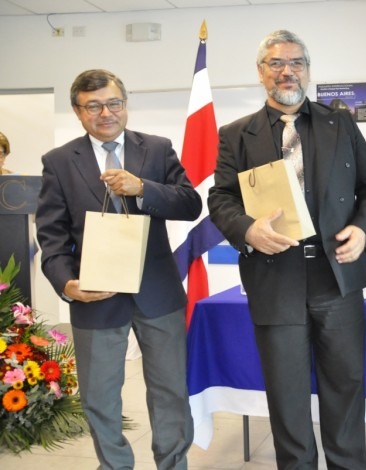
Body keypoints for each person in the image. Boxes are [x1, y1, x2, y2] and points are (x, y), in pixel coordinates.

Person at [208, 30, 366, 469]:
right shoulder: (236, 135)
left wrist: (363, 230)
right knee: (286, 395)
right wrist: (248, 230)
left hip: (337, 277)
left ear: (307, 69)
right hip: (275, 279)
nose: (287, 71)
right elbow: (221, 199)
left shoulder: (339, 122)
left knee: (344, 387)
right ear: (261, 71)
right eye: (276, 63)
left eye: (296, 62)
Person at [35, 69, 200, 470]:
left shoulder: (157, 149)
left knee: (170, 391)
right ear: (78, 111)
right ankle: (114, 465)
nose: (105, 113)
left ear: (125, 105)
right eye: (93, 106)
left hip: (157, 293)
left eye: (113, 103)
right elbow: (51, 236)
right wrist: (66, 284)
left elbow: (190, 203)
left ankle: (173, 463)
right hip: (95, 294)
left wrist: (144, 188)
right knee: (100, 396)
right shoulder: (59, 161)